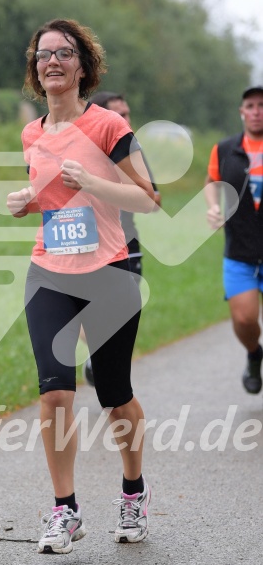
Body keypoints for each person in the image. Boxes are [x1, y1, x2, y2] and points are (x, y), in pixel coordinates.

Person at [7, 19, 155, 554]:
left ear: (83, 67)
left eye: (64, 54)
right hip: (49, 270)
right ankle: (64, 510)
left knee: (115, 397)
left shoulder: (108, 127)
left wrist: (93, 181)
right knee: (55, 393)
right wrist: (28, 202)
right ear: (35, 68)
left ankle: (133, 493)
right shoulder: (33, 132)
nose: (53, 62)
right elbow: (55, 202)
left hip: (110, 274)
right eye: (44, 54)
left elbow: (147, 197)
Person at [82, 92, 161, 386]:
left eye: (128, 114)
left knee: (121, 312)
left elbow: (152, 199)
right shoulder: (79, 151)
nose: (128, 121)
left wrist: (143, 196)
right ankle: (97, 350)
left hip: (126, 244)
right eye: (121, 115)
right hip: (84, 244)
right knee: (78, 311)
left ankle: (103, 362)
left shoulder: (132, 152)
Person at [205, 85, 263, 394]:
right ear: (242, 112)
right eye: (250, 105)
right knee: (244, 319)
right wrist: (213, 207)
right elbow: (211, 182)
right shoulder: (225, 149)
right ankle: (255, 354)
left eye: (261, 105)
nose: (256, 111)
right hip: (240, 253)